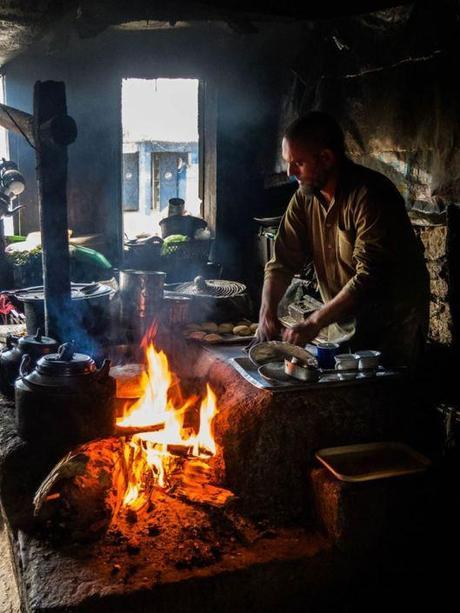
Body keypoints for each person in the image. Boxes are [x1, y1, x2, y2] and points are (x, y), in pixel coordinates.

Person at [257, 111, 430, 368]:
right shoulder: (304, 198)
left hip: (392, 325)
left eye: (298, 163)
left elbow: (369, 276)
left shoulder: (370, 196)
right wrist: (267, 310)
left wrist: (314, 322)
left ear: (326, 158)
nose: (290, 172)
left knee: (384, 398)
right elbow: (282, 261)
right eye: (287, 162)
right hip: (342, 321)